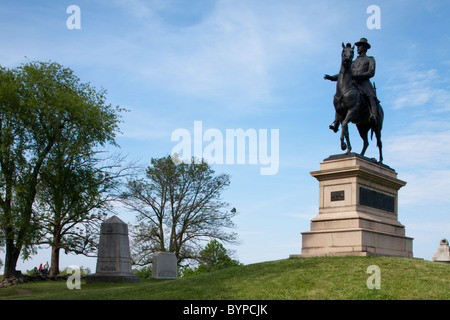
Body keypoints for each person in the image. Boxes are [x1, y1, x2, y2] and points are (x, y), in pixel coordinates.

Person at [327, 38, 379, 132]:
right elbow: (344, 73)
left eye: (360, 46)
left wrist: (357, 76)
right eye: (357, 46)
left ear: (365, 48)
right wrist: (332, 78)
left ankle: (374, 116)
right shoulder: (353, 62)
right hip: (354, 84)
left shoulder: (370, 59)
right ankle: (336, 122)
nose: (358, 48)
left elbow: (371, 73)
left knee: (371, 96)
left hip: (364, 83)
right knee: (340, 98)